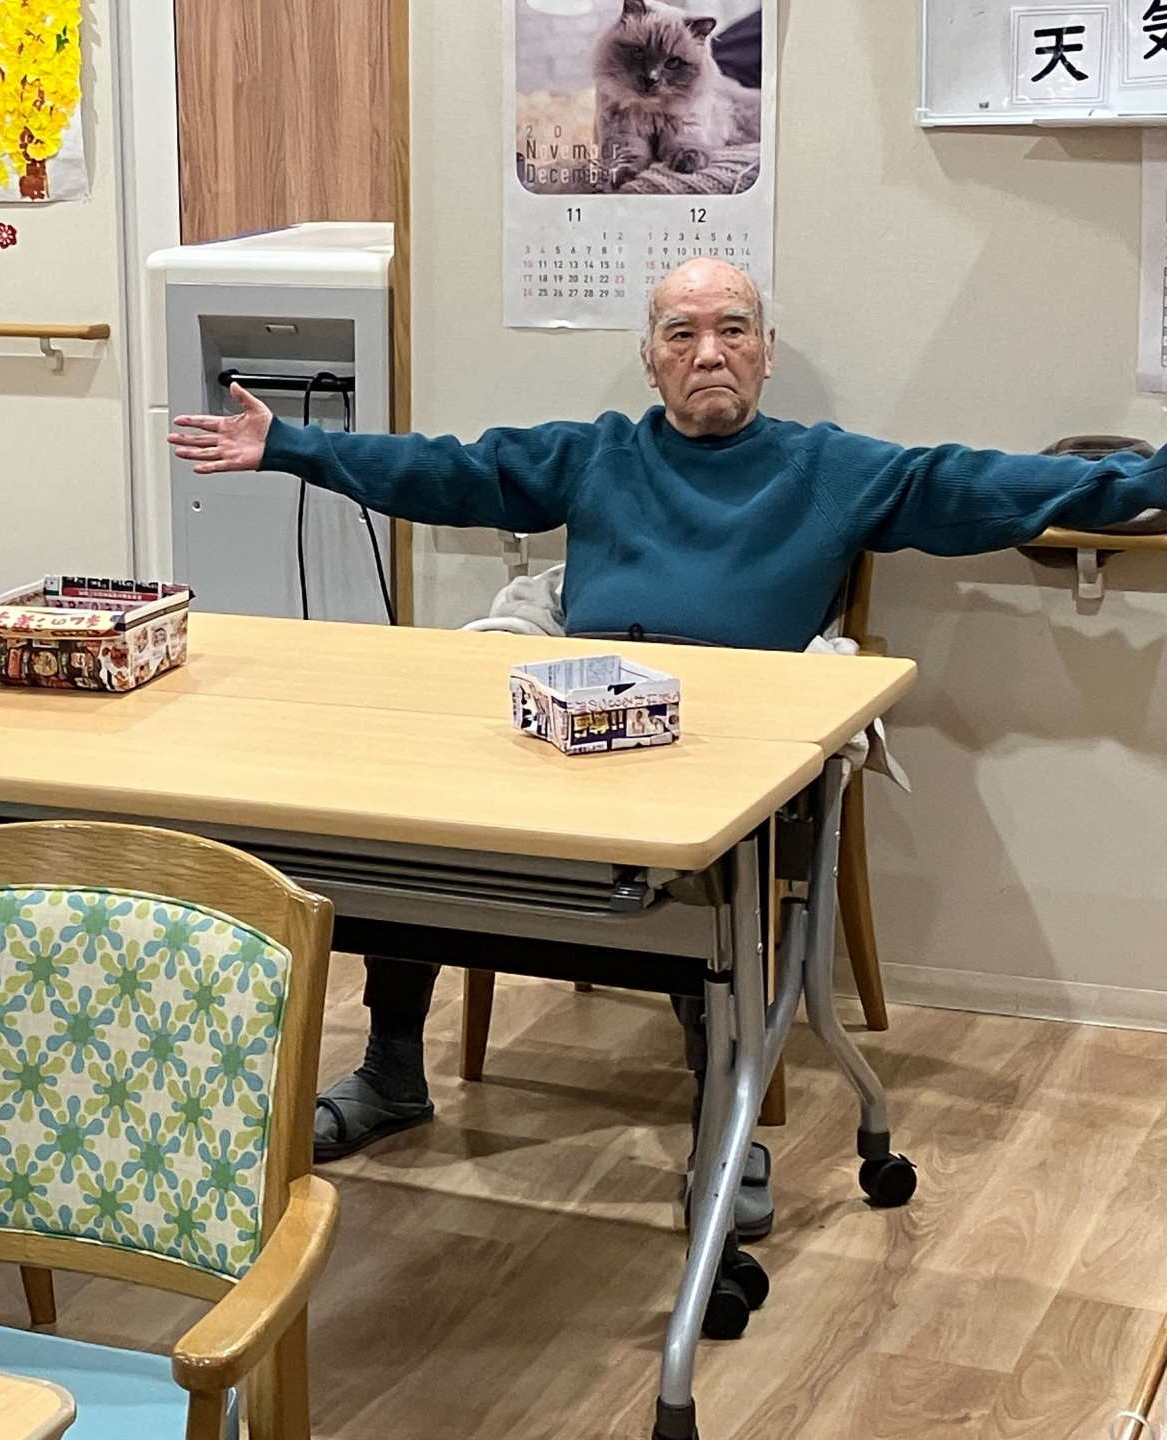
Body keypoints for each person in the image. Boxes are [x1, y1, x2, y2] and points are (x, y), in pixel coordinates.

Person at [168, 255, 1167, 1238]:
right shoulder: (600, 454)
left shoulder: (831, 468)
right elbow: (452, 470)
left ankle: (721, 1126)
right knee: (412, 823)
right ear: (651, 361)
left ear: (766, 351)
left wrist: (1148, 480)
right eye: (681, 334)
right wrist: (292, 446)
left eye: (732, 329)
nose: (709, 352)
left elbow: (982, 486)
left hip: (728, 747)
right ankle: (392, 1070)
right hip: (575, 727)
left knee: (708, 884)